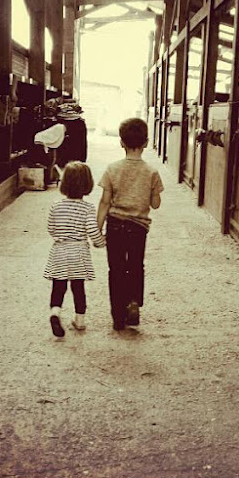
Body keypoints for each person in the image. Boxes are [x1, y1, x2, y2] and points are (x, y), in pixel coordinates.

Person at [97, 118, 164, 330]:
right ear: (145, 143)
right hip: (138, 228)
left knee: (115, 269)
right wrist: (153, 193)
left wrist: (97, 228)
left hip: (115, 225)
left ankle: (118, 316)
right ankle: (134, 301)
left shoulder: (112, 169)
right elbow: (155, 205)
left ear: (121, 143)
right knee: (135, 266)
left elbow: (105, 202)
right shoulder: (152, 172)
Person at [44, 161, 105, 337]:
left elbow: (51, 228)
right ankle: (79, 321)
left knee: (58, 286)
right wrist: (101, 242)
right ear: (88, 184)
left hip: (60, 251)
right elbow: (93, 231)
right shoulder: (87, 208)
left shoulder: (56, 205)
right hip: (79, 252)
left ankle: (55, 312)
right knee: (78, 288)